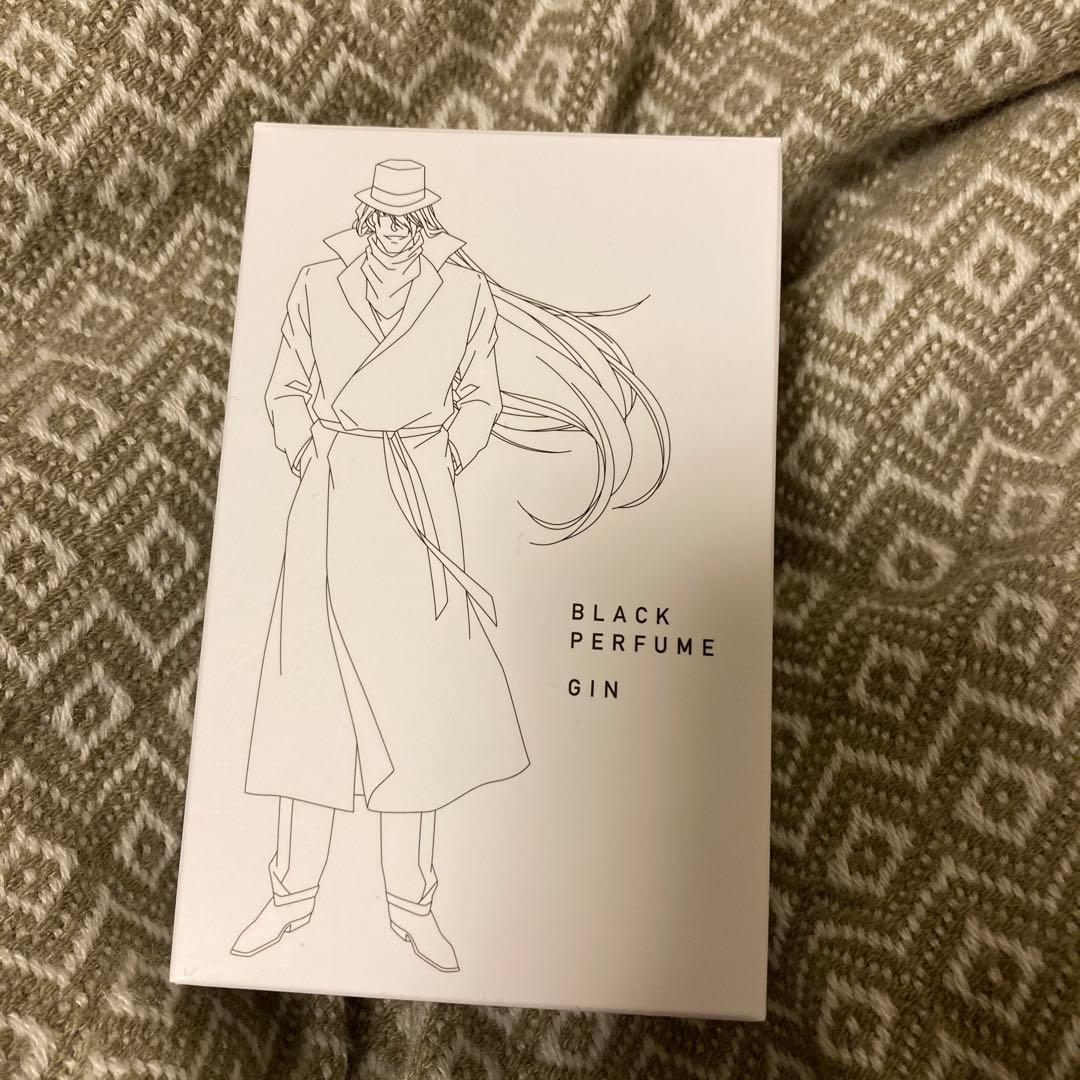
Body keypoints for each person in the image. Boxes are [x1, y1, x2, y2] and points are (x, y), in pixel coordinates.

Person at [231, 159, 668, 971]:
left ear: (426, 222)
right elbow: (286, 386)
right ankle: (290, 896)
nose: (396, 234)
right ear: (366, 219)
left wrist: (443, 458)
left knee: (417, 710)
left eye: (410, 220)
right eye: (384, 219)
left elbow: (480, 394)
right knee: (312, 703)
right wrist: (310, 448)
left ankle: (412, 904)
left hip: (418, 507)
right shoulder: (315, 285)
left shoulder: (462, 295)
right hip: (329, 501)